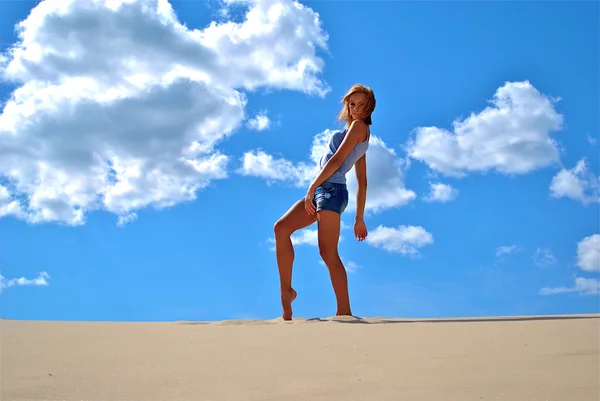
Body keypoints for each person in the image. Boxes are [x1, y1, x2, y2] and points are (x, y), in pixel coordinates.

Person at [273, 83, 376, 321]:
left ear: (370, 107)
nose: (356, 109)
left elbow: (338, 159)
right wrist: (359, 218)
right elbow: (363, 181)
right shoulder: (356, 133)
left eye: (362, 104)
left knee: (328, 251)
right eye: (352, 104)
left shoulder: (359, 127)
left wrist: (311, 187)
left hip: (330, 190)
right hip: (325, 190)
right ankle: (286, 291)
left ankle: (344, 312)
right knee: (281, 229)